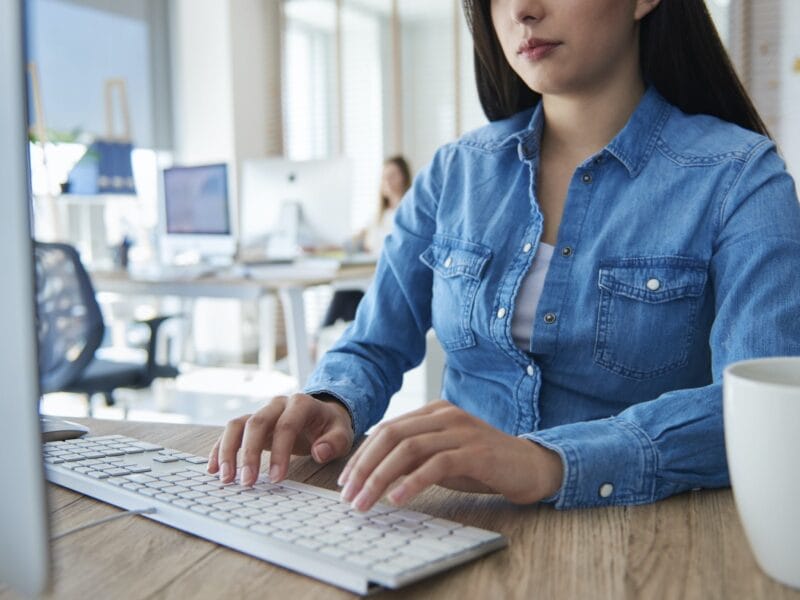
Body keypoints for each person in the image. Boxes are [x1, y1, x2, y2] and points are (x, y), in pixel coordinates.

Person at [209, 0, 800, 512]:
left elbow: (761, 412)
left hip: (640, 534)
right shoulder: (454, 173)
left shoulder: (742, 180)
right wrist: (330, 401)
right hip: (442, 516)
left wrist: (544, 463)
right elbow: (373, 344)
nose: (521, 10)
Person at [319, 156, 412, 328]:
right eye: (384, 177)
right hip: (368, 275)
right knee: (346, 294)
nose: (388, 181)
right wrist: (322, 247)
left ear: (404, 177)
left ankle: (316, 339)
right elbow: (353, 242)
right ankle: (322, 338)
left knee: (346, 295)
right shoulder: (377, 217)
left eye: (393, 176)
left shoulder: (409, 213)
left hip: (388, 277)